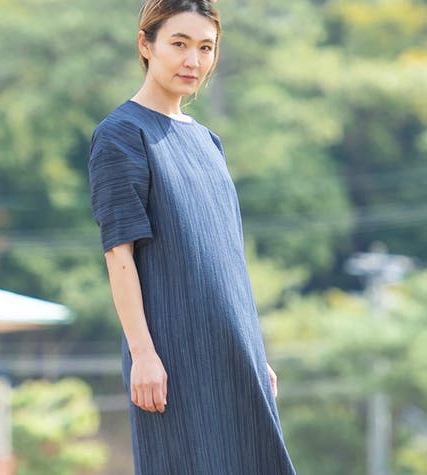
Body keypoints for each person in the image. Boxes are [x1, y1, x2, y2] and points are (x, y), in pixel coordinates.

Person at [87, 0, 298, 473]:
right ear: (146, 45)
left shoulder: (208, 142)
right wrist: (143, 354)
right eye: (179, 44)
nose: (193, 61)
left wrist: (255, 351)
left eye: (206, 48)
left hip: (234, 351)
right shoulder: (120, 135)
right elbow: (119, 254)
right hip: (172, 356)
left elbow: (227, 258)